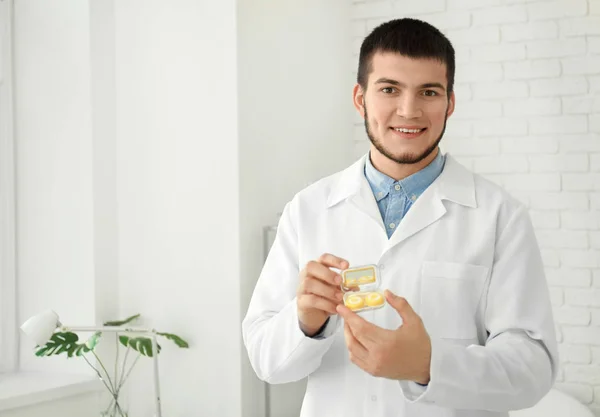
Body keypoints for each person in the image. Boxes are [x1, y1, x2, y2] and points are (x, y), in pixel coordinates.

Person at [242, 18, 558, 417]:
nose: (408, 111)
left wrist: (428, 366)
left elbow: (533, 369)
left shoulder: (500, 217)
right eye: (389, 89)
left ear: (450, 103)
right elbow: (265, 361)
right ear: (360, 98)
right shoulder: (307, 209)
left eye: (428, 92)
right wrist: (305, 321)